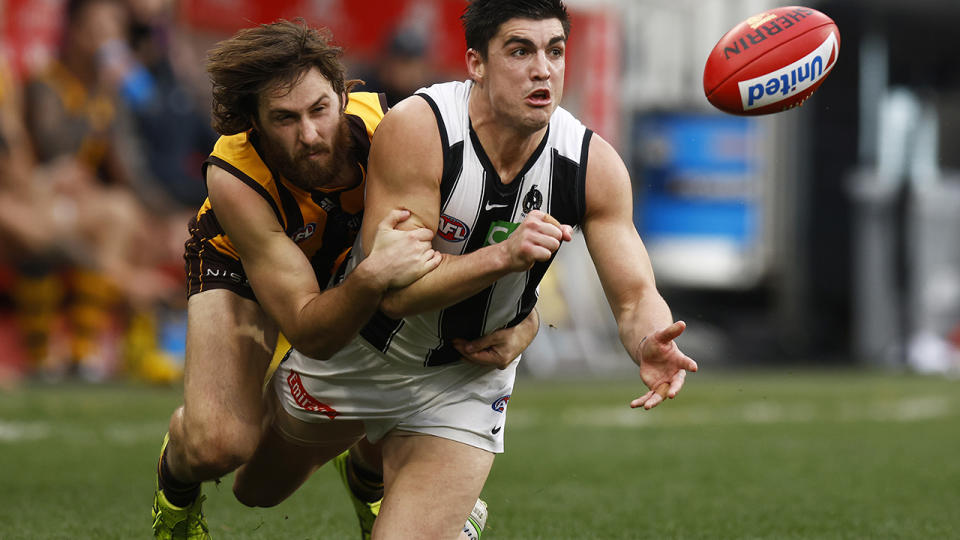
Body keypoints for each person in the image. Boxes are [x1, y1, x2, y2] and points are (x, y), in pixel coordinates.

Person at [232, 0, 699, 538]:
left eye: (555, 51)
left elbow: (635, 295)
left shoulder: (592, 164)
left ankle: (418, 500)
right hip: (366, 351)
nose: (542, 69)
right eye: (520, 51)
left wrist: (648, 341)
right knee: (256, 493)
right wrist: (503, 255)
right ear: (476, 63)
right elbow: (396, 295)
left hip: (466, 380)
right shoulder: (421, 129)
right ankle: (367, 462)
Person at [151, 20, 540, 540]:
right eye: (284, 119)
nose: (309, 135)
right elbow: (312, 331)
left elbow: (466, 247)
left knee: (409, 366)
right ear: (253, 124)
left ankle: (367, 476)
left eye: (319, 110)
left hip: (355, 266)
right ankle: (174, 499)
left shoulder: (396, 131)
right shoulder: (235, 175)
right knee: (217, 445)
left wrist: (527, 320)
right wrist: (372, 276)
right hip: (243, 266)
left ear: (342, 93)